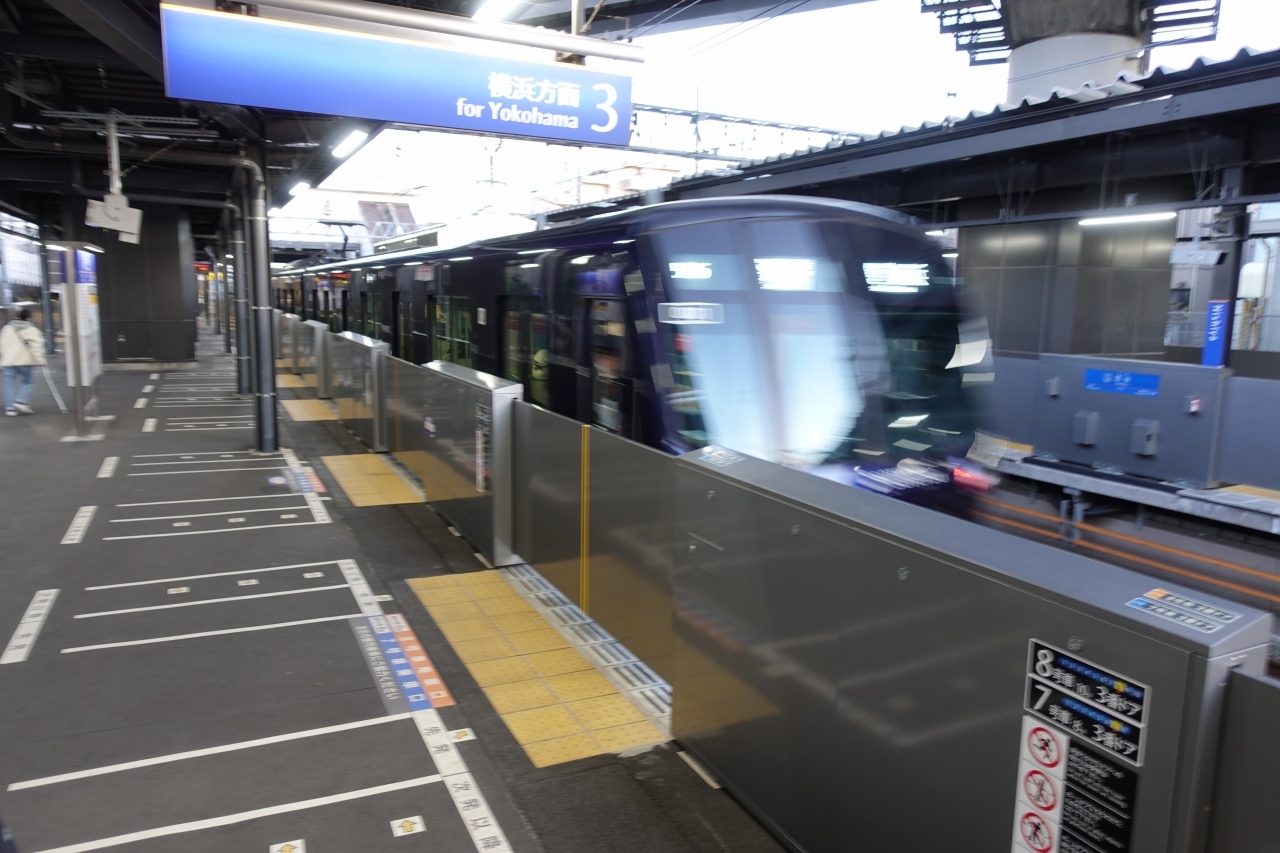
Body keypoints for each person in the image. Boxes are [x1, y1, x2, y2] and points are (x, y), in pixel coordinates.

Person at [0, 307, 46, 416]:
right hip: (25, 361)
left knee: (9, 384)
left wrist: (2, 360)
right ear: (29, 318)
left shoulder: (6, 329)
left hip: (8, 361)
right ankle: (21, 401)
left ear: (16, 317)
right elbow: (37, 347)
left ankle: (10, 409)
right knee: (27, 381)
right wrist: (40, 360)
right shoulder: (32, 330)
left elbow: (2, 345)